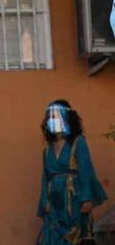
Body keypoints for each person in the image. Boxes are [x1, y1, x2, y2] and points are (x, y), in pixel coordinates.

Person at [36, 100, 107, 245]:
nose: (53, 120)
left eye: (57, 116)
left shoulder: (78, 142)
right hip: (53, 204)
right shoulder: (47, 149)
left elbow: (86, 171)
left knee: (72, 238)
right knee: (51, 239)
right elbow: (45, 178)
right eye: (51, 117)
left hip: (73, 200)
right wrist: (45, 202)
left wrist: (87, 199)